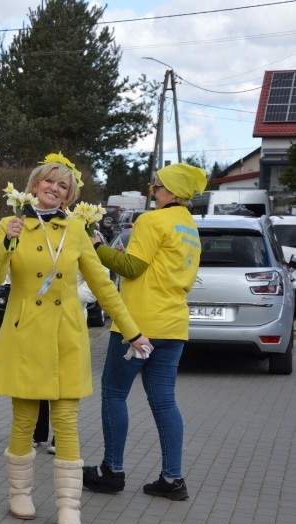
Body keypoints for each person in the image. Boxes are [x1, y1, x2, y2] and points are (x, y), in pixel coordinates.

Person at [0, 153, 153, 524]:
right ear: (35, 184)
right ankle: (20, 493)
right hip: (24, 334)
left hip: (66, 336)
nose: (55, 189)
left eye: (63, 186)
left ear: (69, 195)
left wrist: (132, 330)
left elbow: (104, 285)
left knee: (67, 421)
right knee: (23, 420)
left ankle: (68, 505)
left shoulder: (75, 230)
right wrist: (6, 241)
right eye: (49, 182)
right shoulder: (11, 224)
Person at [82, 163, 206, 502]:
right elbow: (154, 267)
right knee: (165, 400)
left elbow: (131, 268)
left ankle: (112, 471)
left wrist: (96, 246)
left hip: (138, 326)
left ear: (174, 192)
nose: (153, 191)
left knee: (114, 392)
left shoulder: (152, 220)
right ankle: (172, 478)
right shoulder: (190, 227)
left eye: (158, 186)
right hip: (174, 325)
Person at [34, 268, 105, 455]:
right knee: (39, 376)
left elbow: (96, 284)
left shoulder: (83, 241)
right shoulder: (40, 241)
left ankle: (60, 434)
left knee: (63, 380)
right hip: (39, 319)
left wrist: (65, 294)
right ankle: (36, 431)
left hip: (70, 322)